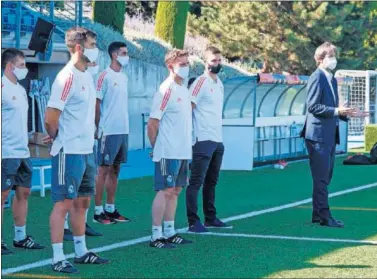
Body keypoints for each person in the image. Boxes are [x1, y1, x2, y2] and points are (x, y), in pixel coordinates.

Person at [45, 27, 109, 274]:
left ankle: (81, 251)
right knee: (63, 204)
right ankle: (58, 257)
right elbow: (51, 116)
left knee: (82, 202)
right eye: (93, 44)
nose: (96, 49)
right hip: (68, 151)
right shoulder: (67, 76)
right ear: (80, 48)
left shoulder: (87, 75)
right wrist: (57, 139)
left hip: (86, 150)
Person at [300, 42, 368, 228]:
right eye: (330, 56)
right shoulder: (317, 78)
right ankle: (324, 216)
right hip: (317, 135)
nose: (334, 60)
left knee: (326, 176)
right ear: (321, 59)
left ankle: (317, 213)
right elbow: (313, 106)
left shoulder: (330, 78)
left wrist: (349, 113)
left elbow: (333, 109)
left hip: (329, 134)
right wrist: (338, 111)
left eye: (334, 56)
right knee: (322, 177)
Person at [147, 49, 193, 248]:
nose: (186, 67)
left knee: (175, 191)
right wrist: (156, 147)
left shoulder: (184, 89)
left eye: (187, 63)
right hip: (168, 150)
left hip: (182, 150)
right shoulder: (166, 90)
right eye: (181, 64)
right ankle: (156, 235)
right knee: (165, 190)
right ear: (170, 66)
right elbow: (152, 123)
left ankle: (170, 231)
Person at [1, 49, 45, 255]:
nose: (25, 69)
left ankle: (20, 237)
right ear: (10, 66)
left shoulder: (19, 89)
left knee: (24, 192)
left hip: (22, 152)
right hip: (6, 152)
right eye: (21, 65)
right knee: (2, 196)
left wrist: (33, 138)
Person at [186, 46, 230, 233]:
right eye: (213, 60)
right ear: (205, 62)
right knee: (196, 181)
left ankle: (210, 218)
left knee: (212, 181)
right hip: (202, 139)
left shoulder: (219, 83)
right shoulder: (200, 82)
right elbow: (189, 108)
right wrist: (189, 137)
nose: (217, 63)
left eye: (219, 60)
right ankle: (193, 221)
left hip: (217, 139)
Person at [93, 41, 130, 224]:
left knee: (116, 169)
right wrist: (97, 127)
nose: (126, 55)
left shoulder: (124, 77)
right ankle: (98, 211)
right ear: (115, 55)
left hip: (123, 130)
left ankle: (110, 208)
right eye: (124, 52)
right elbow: (96, 103)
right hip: (107, 131)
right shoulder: (104, 76)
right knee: (103, 170)